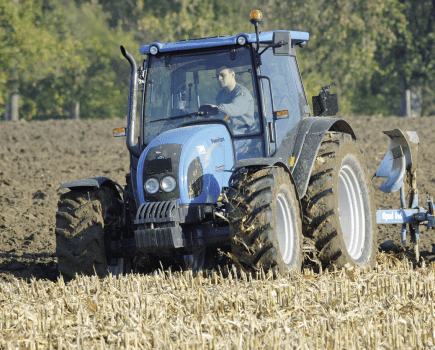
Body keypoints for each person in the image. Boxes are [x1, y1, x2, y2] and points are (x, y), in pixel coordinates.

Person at [207, 66, 257, 135]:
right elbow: (221, 116)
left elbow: (235, 108)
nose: (219, 78)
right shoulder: (220, 95)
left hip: (246, 134)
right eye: (217, 76)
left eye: (222, 75)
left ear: (233, 74)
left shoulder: (242, 93)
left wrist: (218, 108)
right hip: (229, 131)